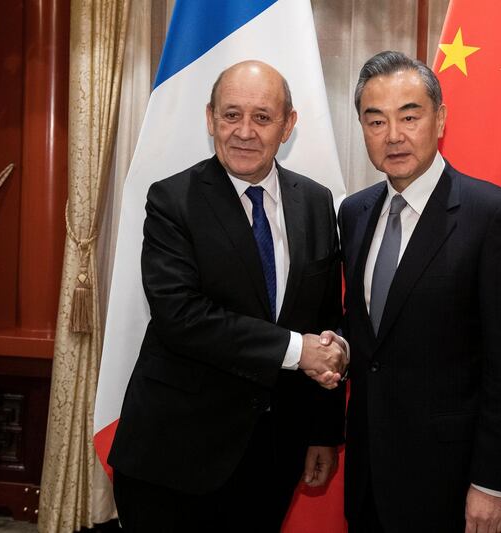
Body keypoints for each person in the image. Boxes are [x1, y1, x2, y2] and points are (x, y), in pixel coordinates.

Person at [108, 60, 348, 532]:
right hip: (175, 458)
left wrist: (323, 431)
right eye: (231, 114)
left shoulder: (317, 203)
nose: (244, 132)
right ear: (210, 118)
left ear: (288, 125)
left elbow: (323, 317)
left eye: (262, 117)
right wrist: (300, 351)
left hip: (272, 456)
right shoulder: (172, 200)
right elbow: (183, 318)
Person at [336, 51, 501, 533]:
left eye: (410, 115)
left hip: (450, 485)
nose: (394, 135)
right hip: (367, 476)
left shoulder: (493, 216)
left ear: (440, 118)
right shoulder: (354, 212)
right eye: (376, 120)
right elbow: (372, 334)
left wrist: (492, 484)